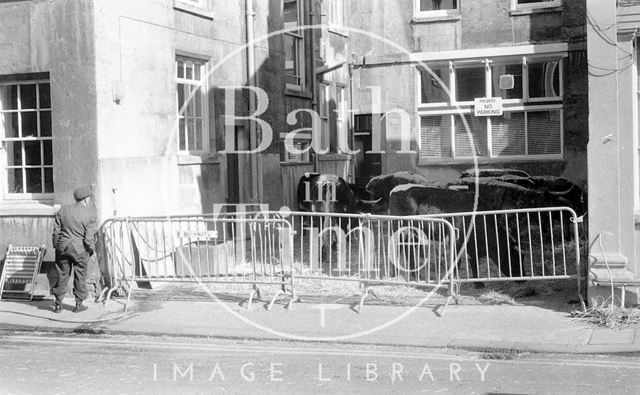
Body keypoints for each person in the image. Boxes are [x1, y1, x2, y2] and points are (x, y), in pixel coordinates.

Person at [51, 185, 97, 313]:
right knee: (80, 276)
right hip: (80, 250)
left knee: (62, 275)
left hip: (63, 247)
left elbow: (56, 232)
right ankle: (78, 304)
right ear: (86, 199)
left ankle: (58, 304)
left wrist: (57, 246)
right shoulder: (90, 214)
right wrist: (91, 250)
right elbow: (88, 239)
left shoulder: (63, 210)